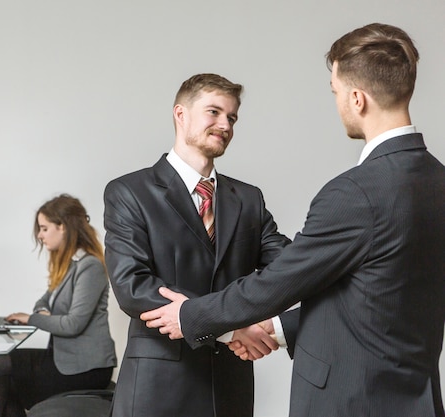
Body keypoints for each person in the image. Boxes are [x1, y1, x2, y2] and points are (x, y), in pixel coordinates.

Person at [141, 23, 445, 417]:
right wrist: (280, 330)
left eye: (336, 92)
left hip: (351, 401)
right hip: (417, 400)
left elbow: (279, 281)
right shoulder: (438, 182)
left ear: (357, 99)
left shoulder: (354, 193)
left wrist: (192, 315)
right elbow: (380, 294)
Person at [103, 73, 291, 417]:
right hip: (158, 387)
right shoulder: (129, 192)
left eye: (232, 117)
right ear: (181, 114)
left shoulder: (248, 199)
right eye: (214, 112)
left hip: (229, 386)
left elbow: (289, 268)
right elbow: (133, 287)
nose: (225, 124)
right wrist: (232, 327)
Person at [0, 194, 117, 415]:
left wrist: (33, 318)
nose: (39, 235)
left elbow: (73, 324)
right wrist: (42, 313)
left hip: (86, 367)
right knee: (0, 367)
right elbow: (43, 301)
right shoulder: (68, 265)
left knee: (2, 372)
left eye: (44, 228)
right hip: (64, 358)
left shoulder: (90, 266)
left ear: (62, 226)